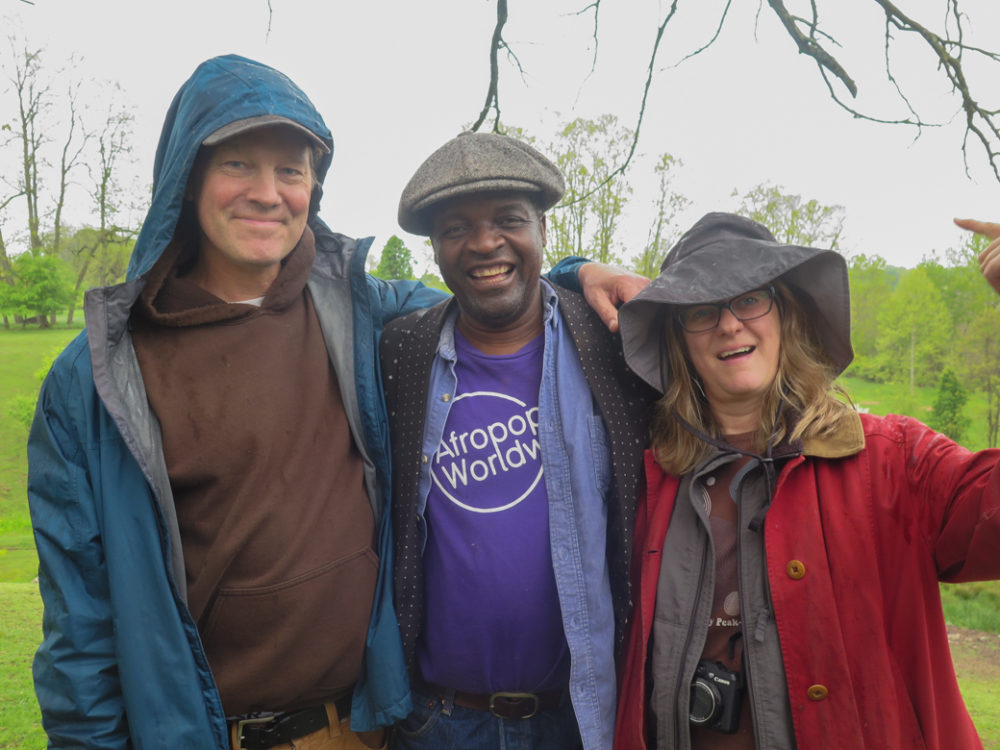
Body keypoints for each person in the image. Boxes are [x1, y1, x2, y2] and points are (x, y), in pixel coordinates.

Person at [26, 56, 632, 750]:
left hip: (363, 728)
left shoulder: (360, 313)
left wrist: (578, 273)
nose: (267, 193)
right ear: (187, 178)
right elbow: (79, 630)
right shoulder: (98, 380)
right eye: (238, 165)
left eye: (290, 170)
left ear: (313, 186)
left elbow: (491, 289)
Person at [612, 211, 1000, 750]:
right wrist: (574, 269)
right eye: (702, 310)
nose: (729, 324)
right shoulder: (648, 482)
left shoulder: (893, 462)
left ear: (786, 315)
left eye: (750, 299)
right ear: (679, 340)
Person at [379, 131, 658, 750]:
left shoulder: (611, 343)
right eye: (456, 228)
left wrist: (581, 270)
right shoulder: (401, 353)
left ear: (541, 229)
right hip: (438, 722)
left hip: (579, 717)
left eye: (509, 219)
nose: (484, 243)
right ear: (434, 249)